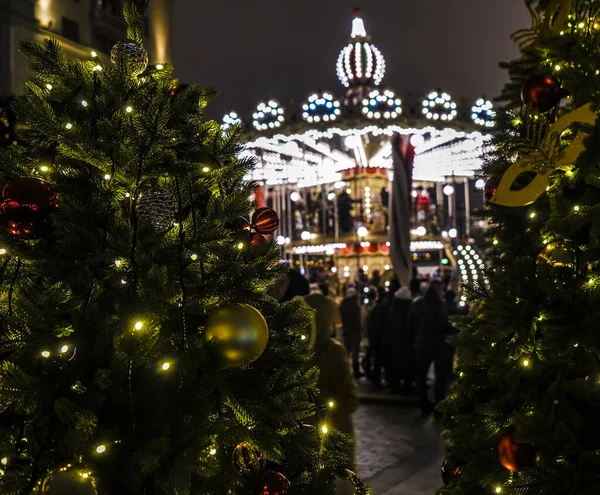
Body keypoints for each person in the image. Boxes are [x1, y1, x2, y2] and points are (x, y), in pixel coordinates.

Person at [310, 295, 359, 485]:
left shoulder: (302, 350)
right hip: (334, 434)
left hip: (319, 434)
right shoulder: (333, 351)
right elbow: (350, 398)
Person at [408, 279, 451, 416]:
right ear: (439, 289)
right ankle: (439, 407)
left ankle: (424, 404)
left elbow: (410, 323)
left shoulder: (417, 303)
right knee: (440, 378)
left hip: (421, 344)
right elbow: (444, 324)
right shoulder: (441, 305)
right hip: (439, 345)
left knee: (420, 376)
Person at [388, 286, 415, 395]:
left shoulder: (392, 310)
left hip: (395, 342)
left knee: (396, 365)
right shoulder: (410, 309)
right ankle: (407, 387)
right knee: (407, 366)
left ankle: (395, 386)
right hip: (408, 343)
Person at [340, 287, 363, 378]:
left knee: (347, 351)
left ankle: (345, 370)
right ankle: (355, 371)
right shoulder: (355, 304)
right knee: (355, 352)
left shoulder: (343, 304)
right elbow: (358, 319)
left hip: (346, 330)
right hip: (354, 330)